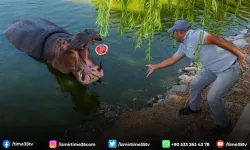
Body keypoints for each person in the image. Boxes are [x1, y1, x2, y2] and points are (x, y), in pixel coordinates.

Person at [145, 20, 247, 134]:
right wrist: (156, 66)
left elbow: (220, 40)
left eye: (174, 32)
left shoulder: (196, 35)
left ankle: (224, 124)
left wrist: (240, 54)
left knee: (213, 98)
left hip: (228, 68)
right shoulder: (184, 45)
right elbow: (173, 59)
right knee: (195, 84)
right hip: (211, 68)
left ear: (180, 32)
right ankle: (194, 108)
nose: (173, 34)